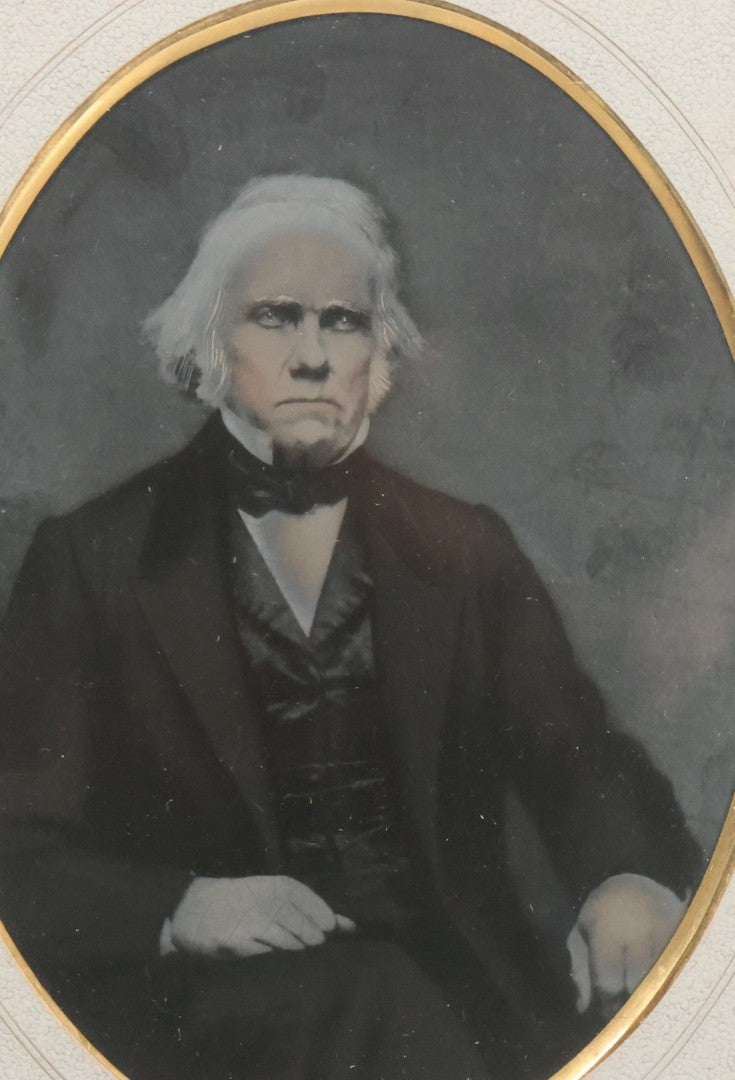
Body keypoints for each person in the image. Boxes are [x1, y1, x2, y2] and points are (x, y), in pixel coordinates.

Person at [0, 175, 702, 1079]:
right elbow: (16, 847)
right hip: (216, 1017)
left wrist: (626, 878)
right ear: (208, 344)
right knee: (365, 999)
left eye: (343, 322)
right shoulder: (94, 558)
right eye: (275, 316)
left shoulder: (464, 548)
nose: (311, 355)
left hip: (462, 978)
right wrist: (180, 907)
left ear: (382, 356)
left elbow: (578, 756)